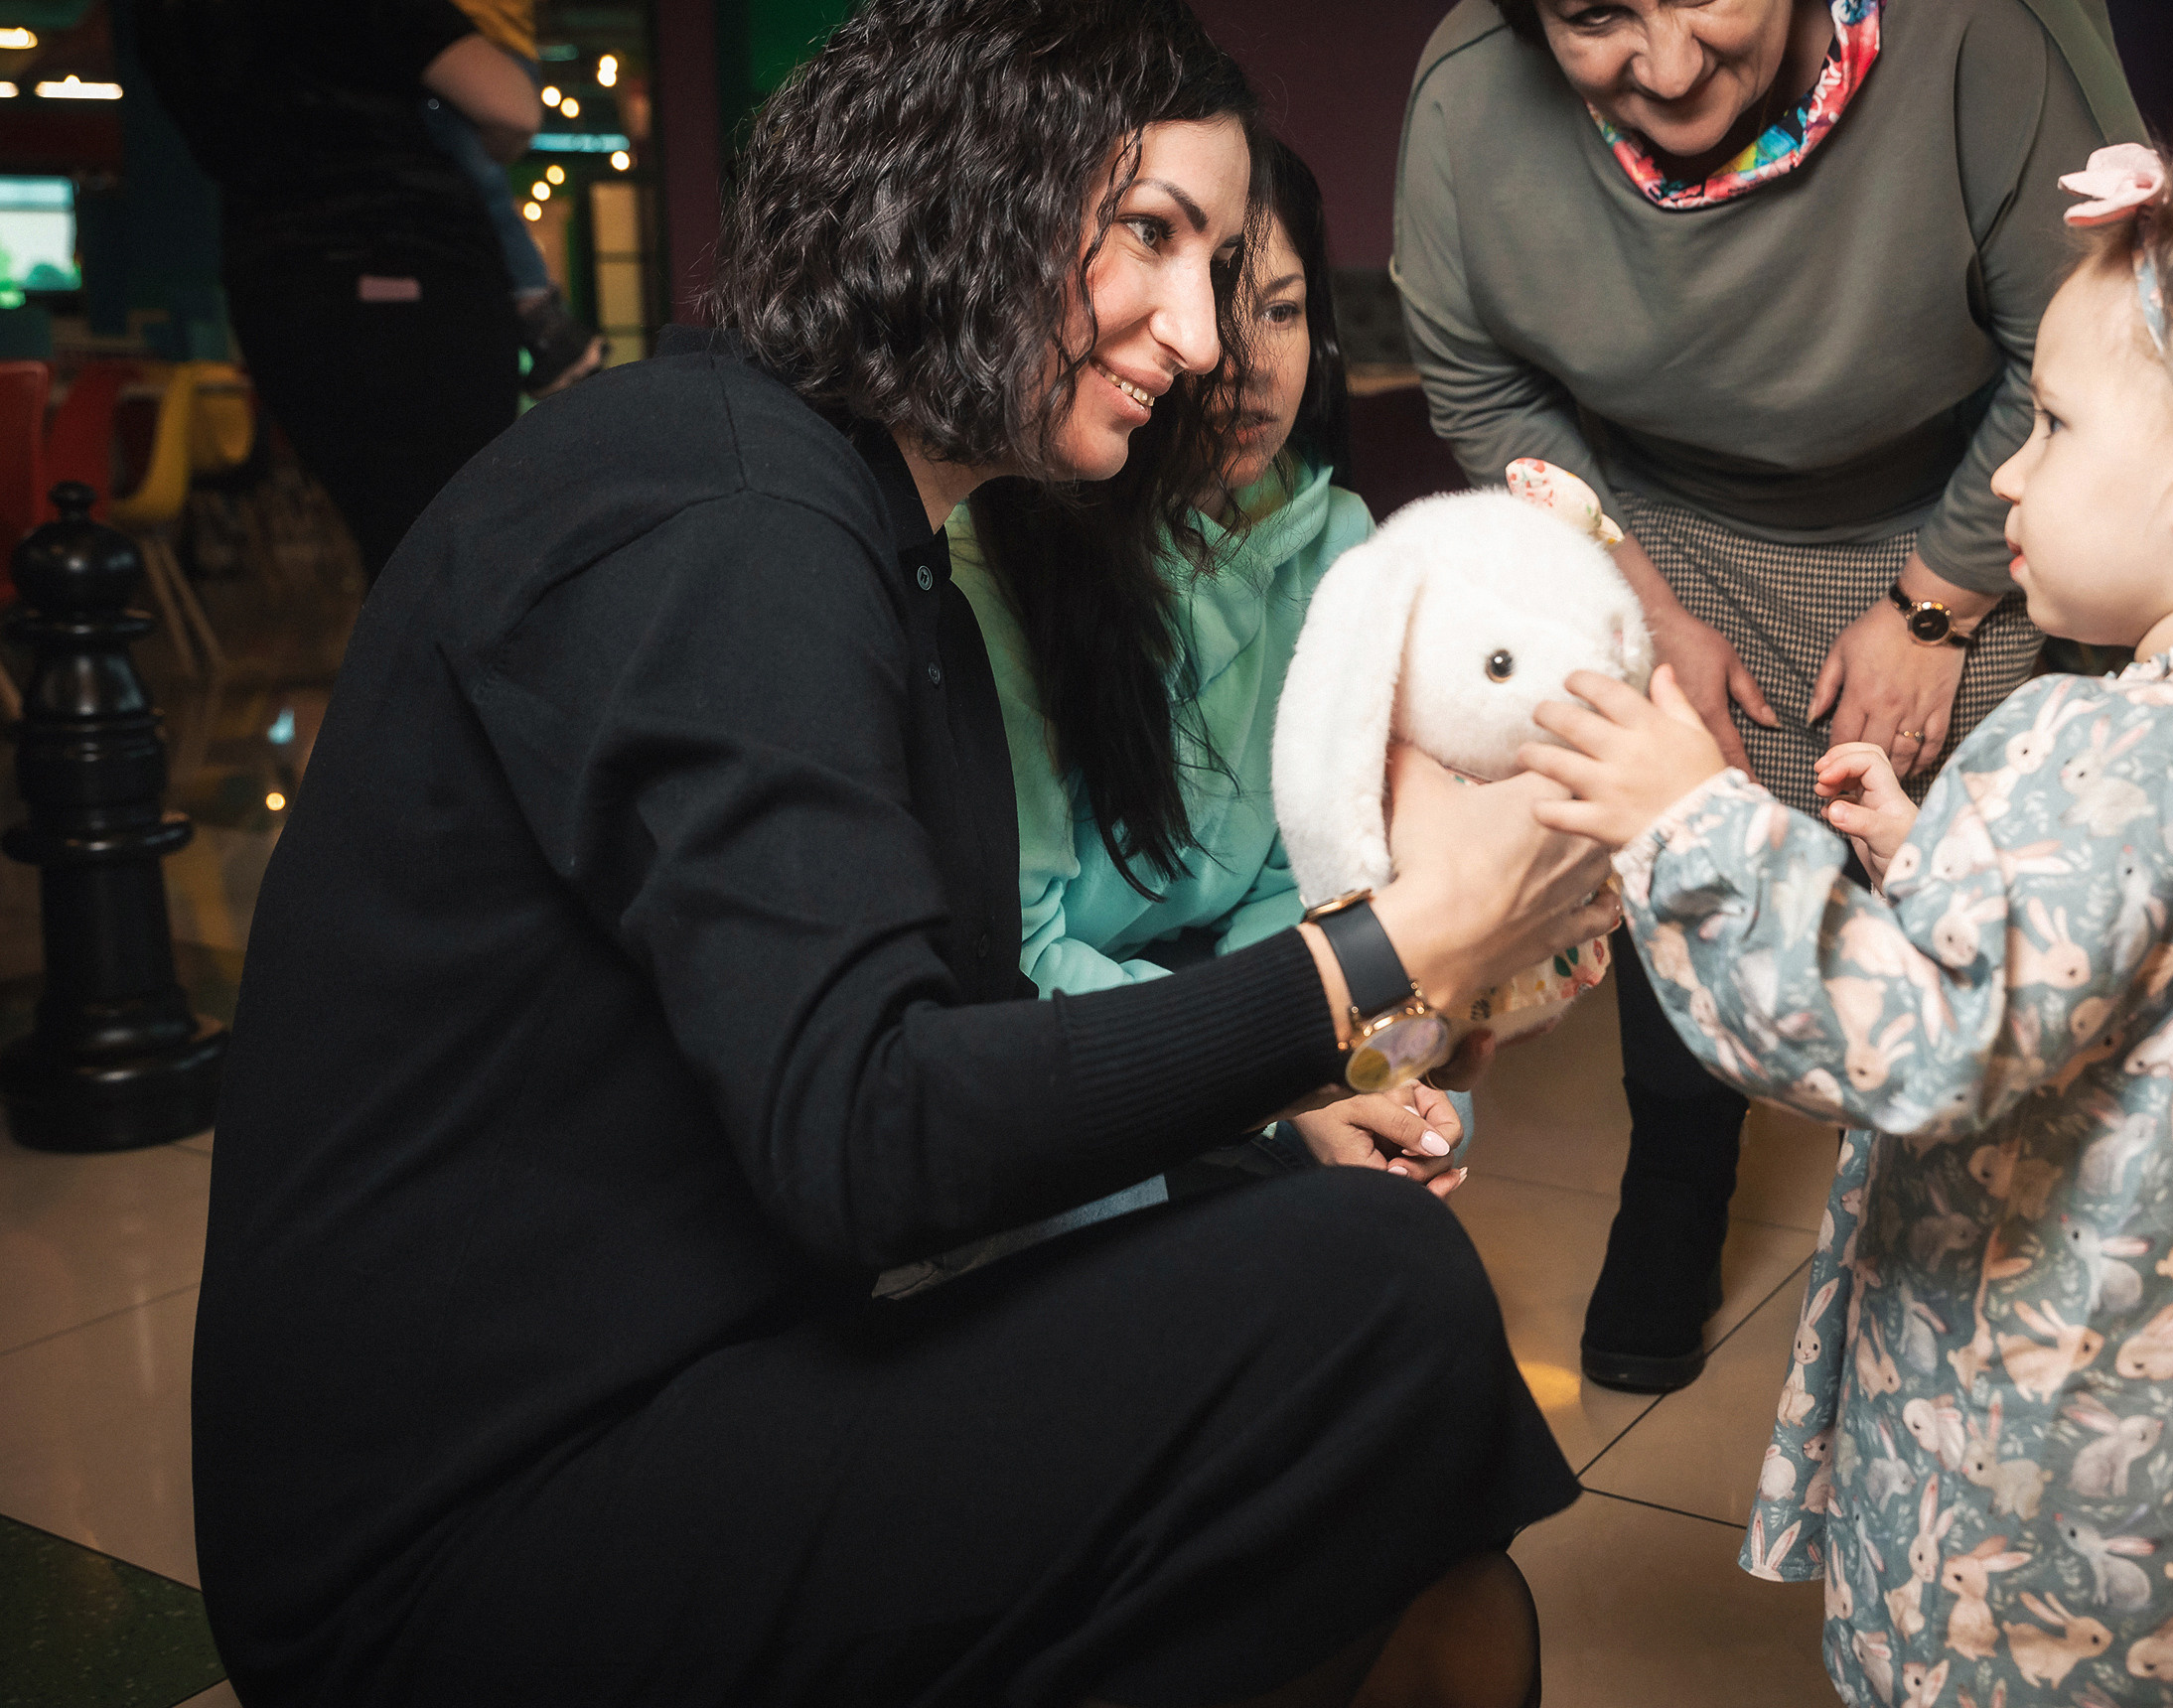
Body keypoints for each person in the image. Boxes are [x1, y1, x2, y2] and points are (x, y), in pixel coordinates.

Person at [188, 4, 1614, 1704]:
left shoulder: (871, 531)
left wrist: (1280, 1101)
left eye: (1227, 266)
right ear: (966, 186)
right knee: (1375, 1304)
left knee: (1396, 1468)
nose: (1200, 329)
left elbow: (958, 1022)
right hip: (459, 1543)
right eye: (1154, 235)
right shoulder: (723, 510)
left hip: (694, 1366)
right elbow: (866, 1132)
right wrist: (1388, 951)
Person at [1521, 155, 2173, 1704]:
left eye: (2052, 427)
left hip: (2045, 1488)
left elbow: (1909, 1044)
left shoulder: (2099, 744)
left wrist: (1689, 821)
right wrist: (1945, 853)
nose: (2006, 477)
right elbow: (2136, 966)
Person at [1394, 0, 2146, 1394]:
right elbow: (1488, 394)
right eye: (1595, 15)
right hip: (1653, 516)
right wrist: (1641, 606)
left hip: (1974, 497)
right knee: (1679, 814)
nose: (1667, 70)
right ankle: (1678, 1170)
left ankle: (1975, 1221)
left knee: (1966, 878)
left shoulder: (1984, 40)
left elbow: (2093, 345)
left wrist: (1939, 599)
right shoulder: (1463, 100)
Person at [889, 137, 1461, 1295]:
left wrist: (1339, 1074)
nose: (1245, 362)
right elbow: (1016, 948)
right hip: (1026, 1044)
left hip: (1204, 1017)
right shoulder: (996, 551)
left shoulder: (1339, 543)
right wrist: (1275, 1081)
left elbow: (1302, 882)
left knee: (1417, 1128)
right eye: (1212, 304)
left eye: (1287, 311)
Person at [138, 0, 538, 585]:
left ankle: (404, 672)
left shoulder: (168, 16)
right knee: (453, 548)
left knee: (393, 547)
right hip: (412, 265)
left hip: (273, 287)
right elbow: (512, 106)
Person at [422, 0, 608, 395]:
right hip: (489, 48)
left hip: (480, 46)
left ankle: (550, 327)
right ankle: (549, 328)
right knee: (480, 193)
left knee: (483, 192)